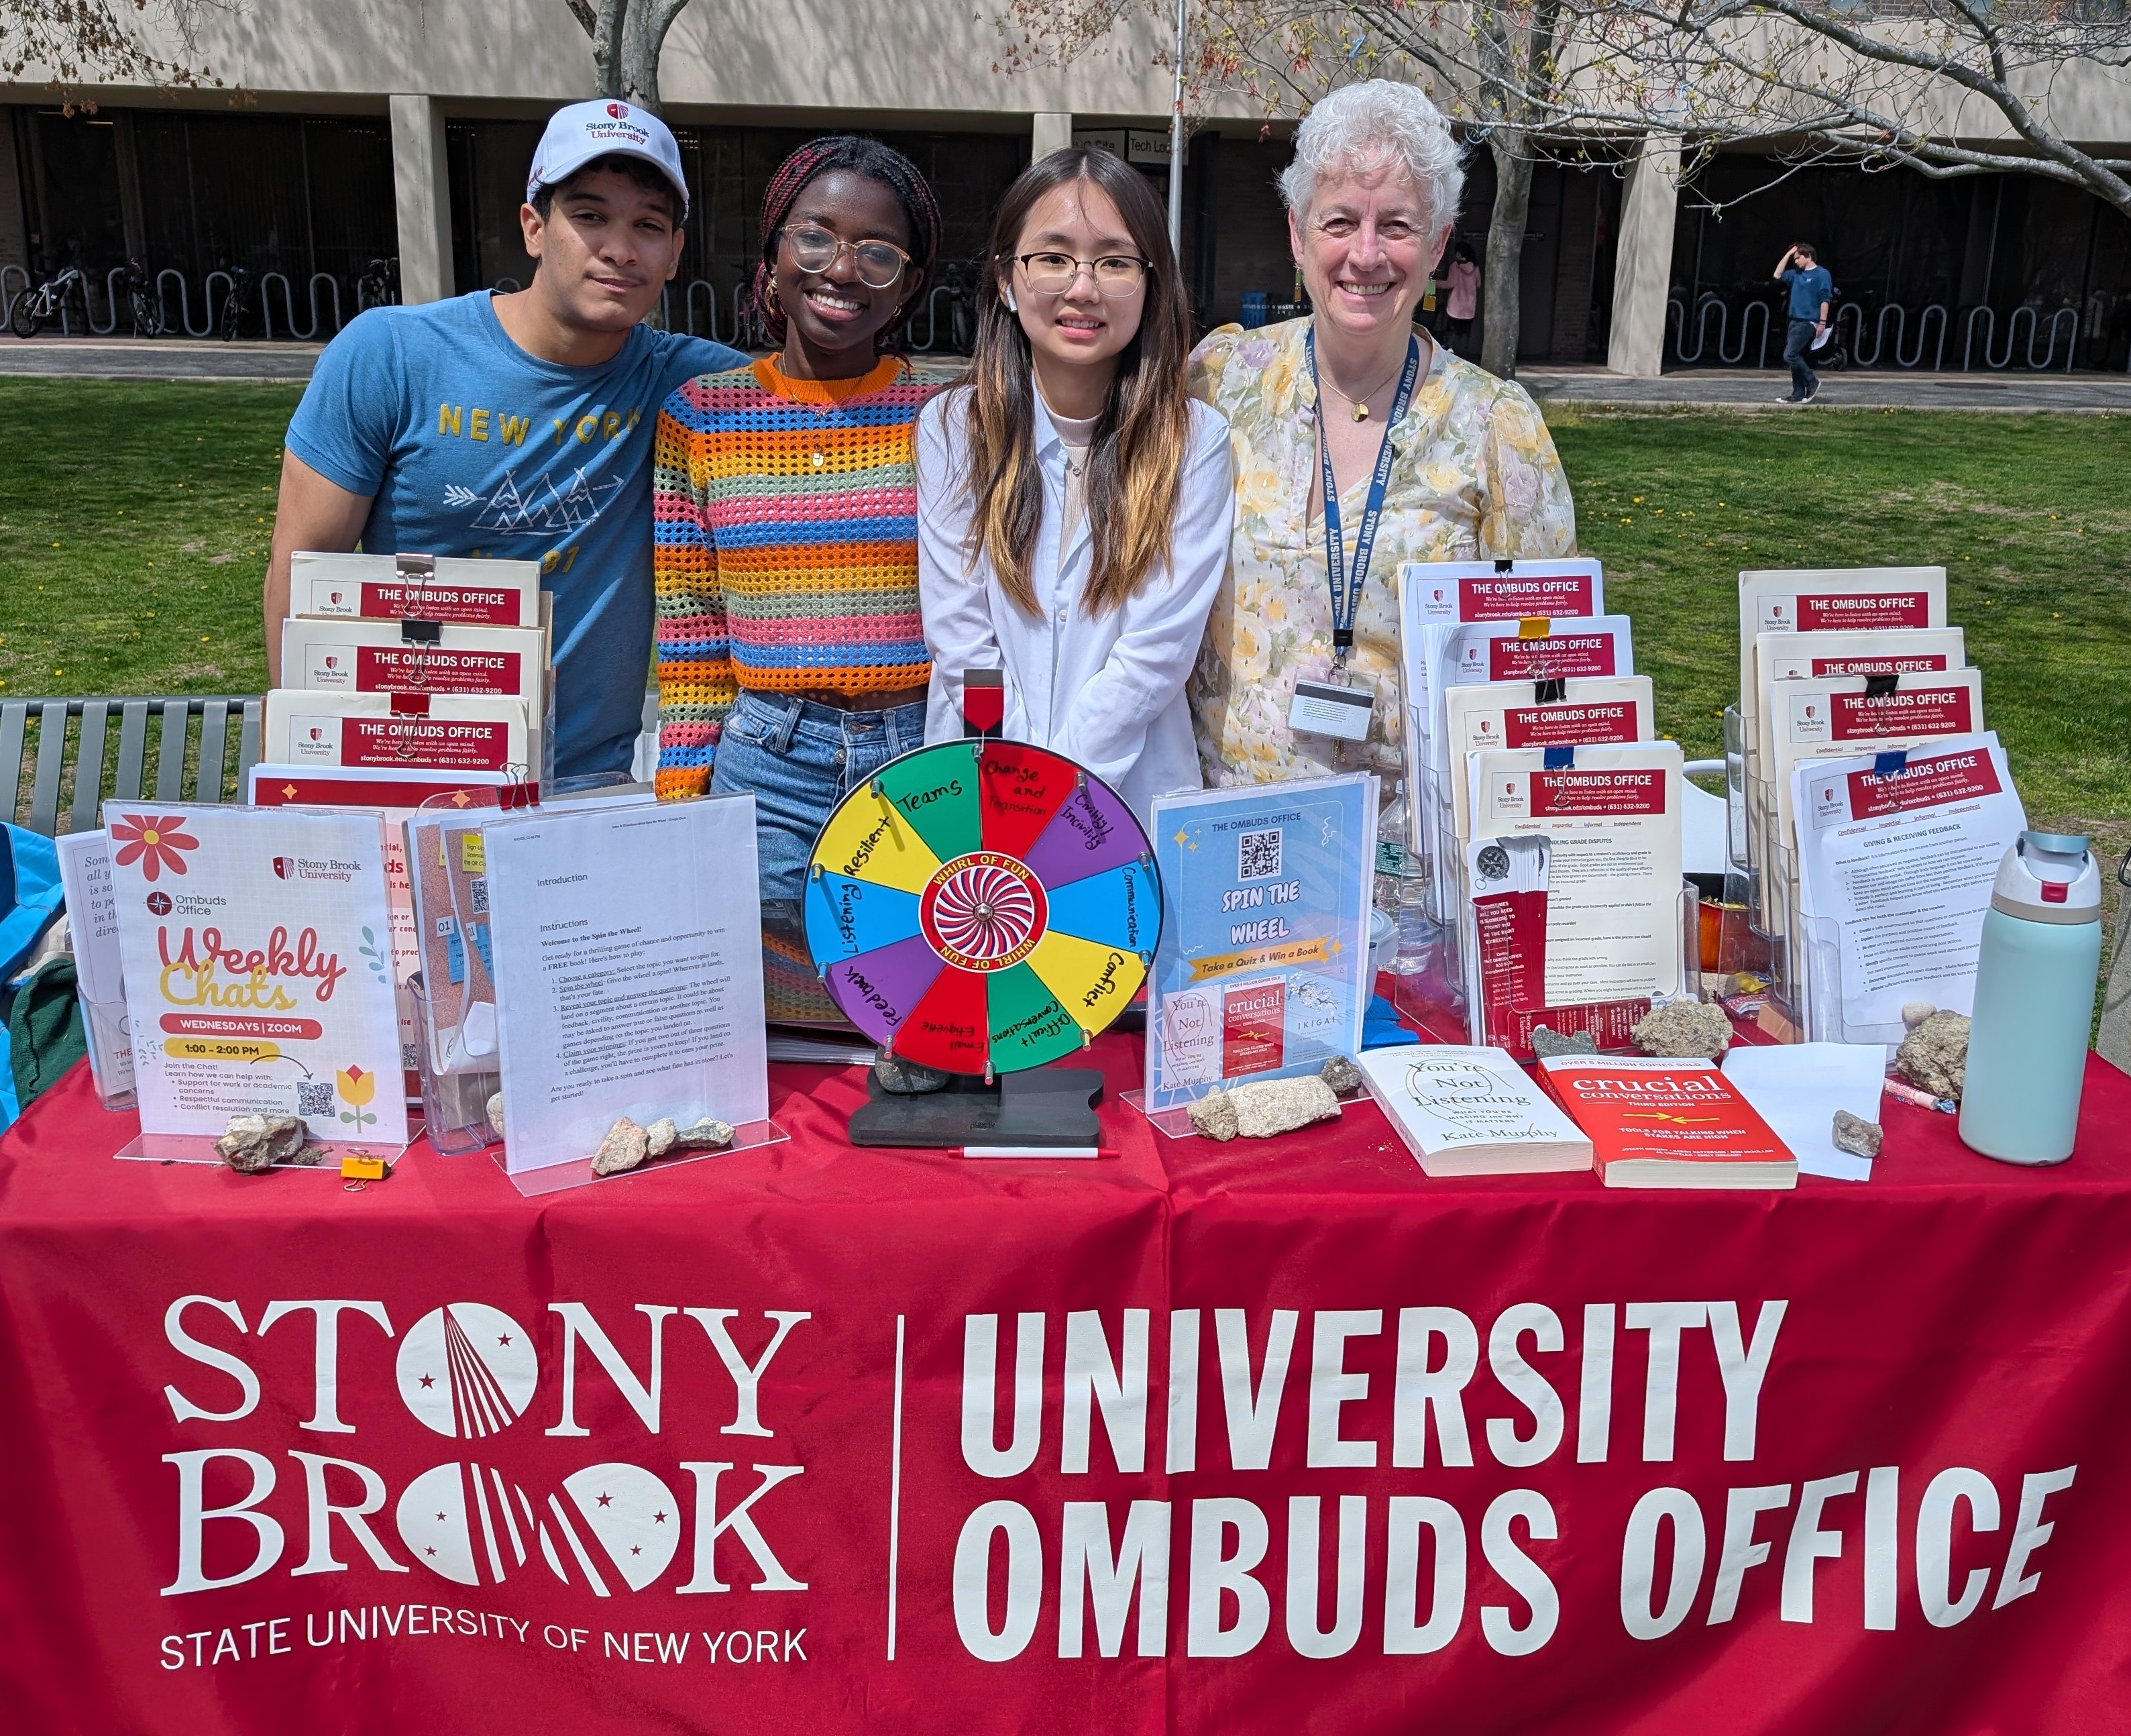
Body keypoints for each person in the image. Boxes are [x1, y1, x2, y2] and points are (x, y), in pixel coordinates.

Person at [264, 100, 748, 786]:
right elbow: (301, 573)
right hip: (401, 770)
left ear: (673, 252)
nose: (619, 248)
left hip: (585, 786)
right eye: (590, 216)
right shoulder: (391, 355)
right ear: (533, 227)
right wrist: (309, 766)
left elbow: (833, 400)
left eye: (648, 225)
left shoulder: (691, 386)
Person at [1186, 79, 1577, 790]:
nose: (1366, 255)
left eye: (1396, 225)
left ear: (1437, 245)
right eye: (1339, 222)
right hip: (1222, 827)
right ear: (1297, 235)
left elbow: (1546, 669)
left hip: (1406, 838)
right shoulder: (1219, 383)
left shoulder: (1496, 426)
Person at [651, 137, 940, 915]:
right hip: (765, 766)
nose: (841, 270)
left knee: (911, 976)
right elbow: (691, 631)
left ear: (908, 283)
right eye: (815, 238)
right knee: (762, 979)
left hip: (920, 760)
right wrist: (682, 797)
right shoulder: (701, 418)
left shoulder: (950, 419)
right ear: (774, 250)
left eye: (878, 254)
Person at [917, 147, 1233, 824]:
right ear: (1006, 278)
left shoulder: (1193, 441)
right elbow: (962, 639)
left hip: (1127, 803)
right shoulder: (952, 428)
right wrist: (1011, 777)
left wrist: (1056, 786)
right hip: (978, 790)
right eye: (1053, 258)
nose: (1082, 288)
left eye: (1114, 262)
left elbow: (1154, 654)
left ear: (1151, 283)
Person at [1775, 241, 1833, 404]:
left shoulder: (1822, 274)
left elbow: (1825, 299)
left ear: (1808, 256)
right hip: (1795, 320)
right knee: (1796, 356)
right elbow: (1777, 275)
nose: (1795, 261)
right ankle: (1798, 393)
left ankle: (1812, 381)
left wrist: (1822, 322)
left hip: (1808, 321)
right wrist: (1788, 254)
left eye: (1798, 257)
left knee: (1790, 355)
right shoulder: (1796, 274)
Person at [1444, 241, 1481, 356]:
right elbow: (1479, 284)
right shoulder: (1475, 267)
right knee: (1465, 334)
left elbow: (1450, 284)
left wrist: (1432, 283)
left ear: (1460, 253)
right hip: (1469, 308)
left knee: (1452, 331)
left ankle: (1450, 350)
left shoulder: (1455, 266)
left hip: (1455, 307)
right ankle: (1464, 356)